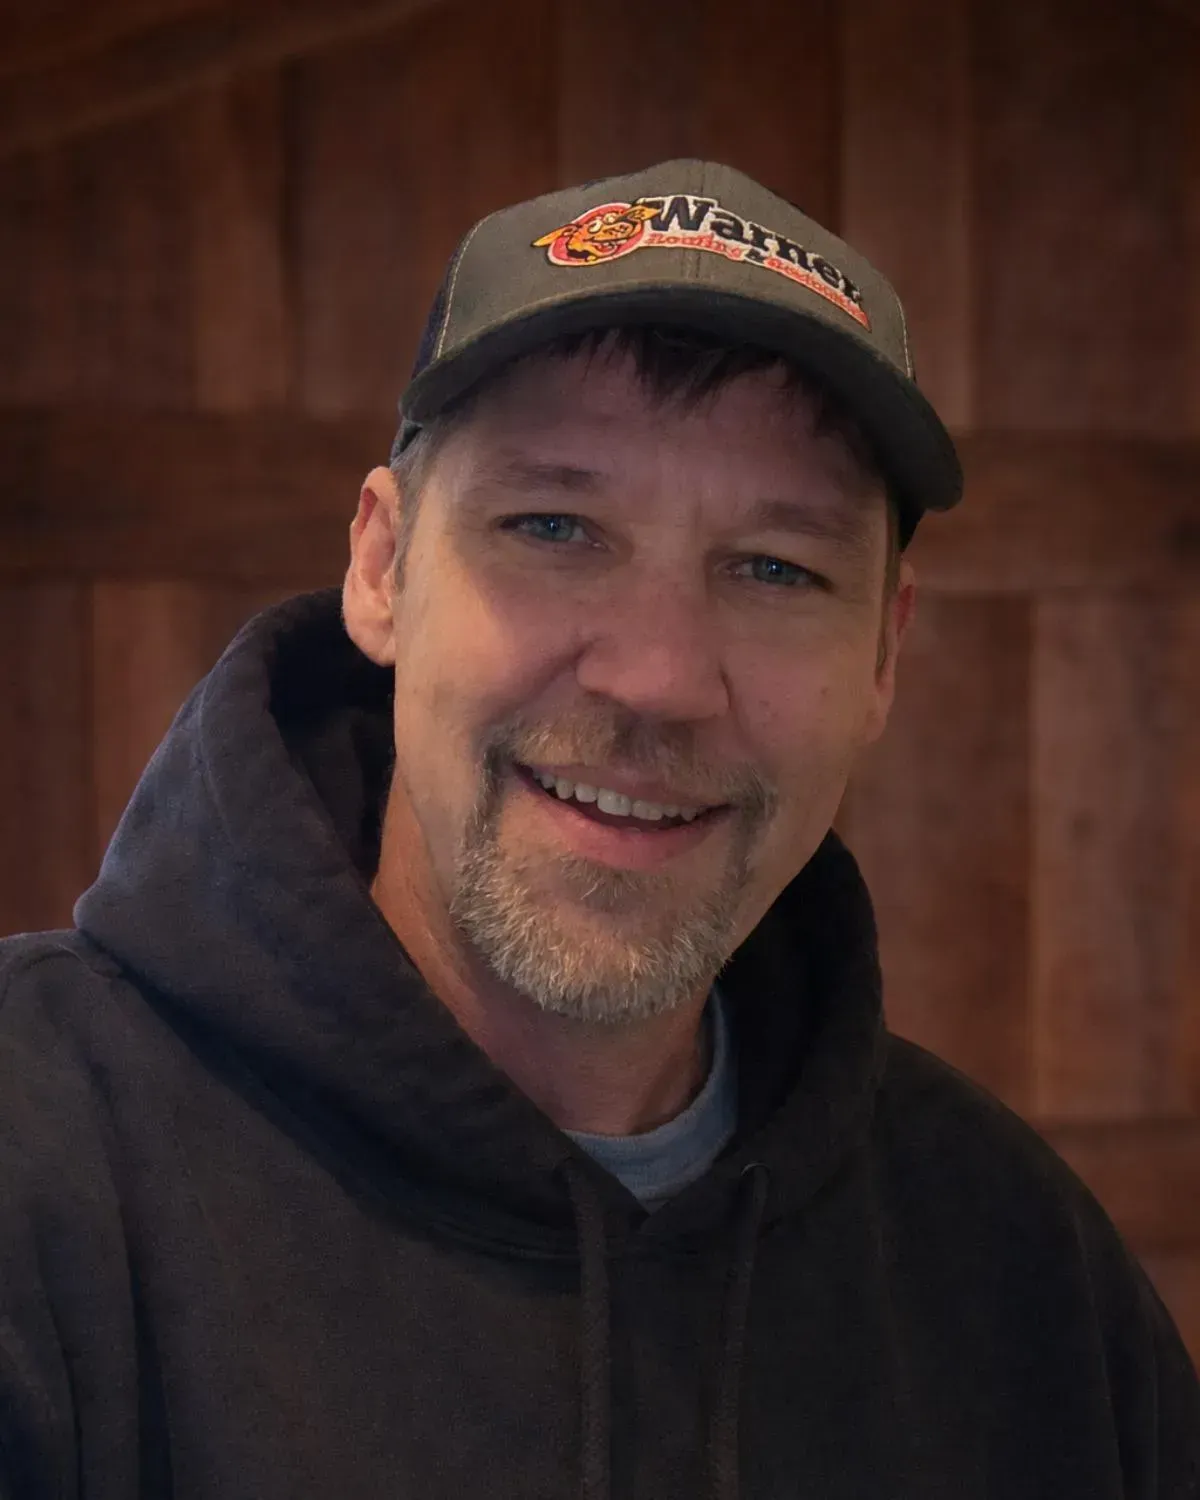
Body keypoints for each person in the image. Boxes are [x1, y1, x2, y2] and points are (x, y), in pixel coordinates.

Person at [0, 160, 1196, 1500]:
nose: (658, 677)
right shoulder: (41, 1162)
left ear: (883, 657)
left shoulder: (1020, 1276)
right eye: (557, 525)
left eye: (775, 570)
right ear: (384, 569)